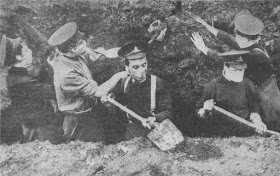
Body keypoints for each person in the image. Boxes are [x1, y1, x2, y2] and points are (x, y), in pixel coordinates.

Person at [194, 14, 280, 132]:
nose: (236, 38)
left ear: (247, 39)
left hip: (266, 92)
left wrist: (204, 49)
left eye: (239, 37)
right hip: (262, 85)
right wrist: (206, 25)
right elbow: (229, 38)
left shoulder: (255, 55)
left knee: (270, 120)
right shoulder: (252, 43)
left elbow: (226, 58)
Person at [47, 22, 128, 142]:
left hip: (89, 106)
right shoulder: (66, 73)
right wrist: (120, 75)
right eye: (80, 42)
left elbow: (102, 55)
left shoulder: (75, 53)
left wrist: (128, 50)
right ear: (71, 48)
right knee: (92, 144)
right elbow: (98, 91)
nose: (83, 43)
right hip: (79, 118)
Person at [103, 42, 173, 140]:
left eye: (144, 65)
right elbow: (120, 110)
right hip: (132, 132)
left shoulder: (157, 83)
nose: (141, 70)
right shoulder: (124, 83)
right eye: (135, 67)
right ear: (127, 68)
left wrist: (156, 118)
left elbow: (168, 111)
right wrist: (111, 106)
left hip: (155, 132)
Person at [195, 50, 267, 137]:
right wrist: (205, 110)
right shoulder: (213, 85)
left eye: (242, 70)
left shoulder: (248, 84)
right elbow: (198, 113)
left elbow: (254, 109)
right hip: (220, 135)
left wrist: (258, 121)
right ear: (225, 67)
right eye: (235, 70)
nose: (239, 74)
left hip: (244, 133)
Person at [0, 34, 56, 143]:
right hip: (42, 130)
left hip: (30, 123)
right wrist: (53, 67)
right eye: (26, 51)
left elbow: (35, 83)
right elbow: (53, 93)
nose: (30, 52)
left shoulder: (13, 75)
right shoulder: (24, 82)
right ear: (18, 57)